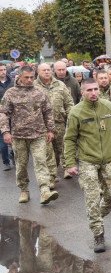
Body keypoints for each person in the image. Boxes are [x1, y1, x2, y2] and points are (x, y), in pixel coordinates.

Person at [64, 78, 111, 252]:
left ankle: (96, 216)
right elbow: (69, 139)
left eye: (96, 89)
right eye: (89, 90)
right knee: (92, 199)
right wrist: (70, 163)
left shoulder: (108, 107)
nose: (93, 93)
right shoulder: (76, 112)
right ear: (82, 92)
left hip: (108, 159)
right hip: (87, 161)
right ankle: (98, 235)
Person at [0, 66, 58, 204]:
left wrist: (51, 130)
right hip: (19, 136)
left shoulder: (39, 92)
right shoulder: (10, 93)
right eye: (26, 77)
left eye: (32, 77)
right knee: (21, 165)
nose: (30, 80)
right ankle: (24, 190)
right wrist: (5, 132)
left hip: (38, 135)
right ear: (19, 77)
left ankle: (44, 191)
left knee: (40, 162)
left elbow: (48, 111)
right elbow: (3, 113)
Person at [34, 63, 74, 185]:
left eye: (48, 70)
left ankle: (61, 169)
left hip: (59, 122)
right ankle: (51, 177)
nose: (47, 72)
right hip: (42, 125)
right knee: (48, 152)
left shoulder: (60, 84)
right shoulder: (34, 86)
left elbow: (69, 102)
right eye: (44, 70)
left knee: (60, 149)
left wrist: (70, 117)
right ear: (38, 72)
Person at [0, 64, 14, 171]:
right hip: (1, 115)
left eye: (4, 69)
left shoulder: (12, 82)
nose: (3, 72)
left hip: (13, 114)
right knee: (3, 140)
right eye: (1, 70)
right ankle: (6, 162)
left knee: (15, 138)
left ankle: (13, 155)